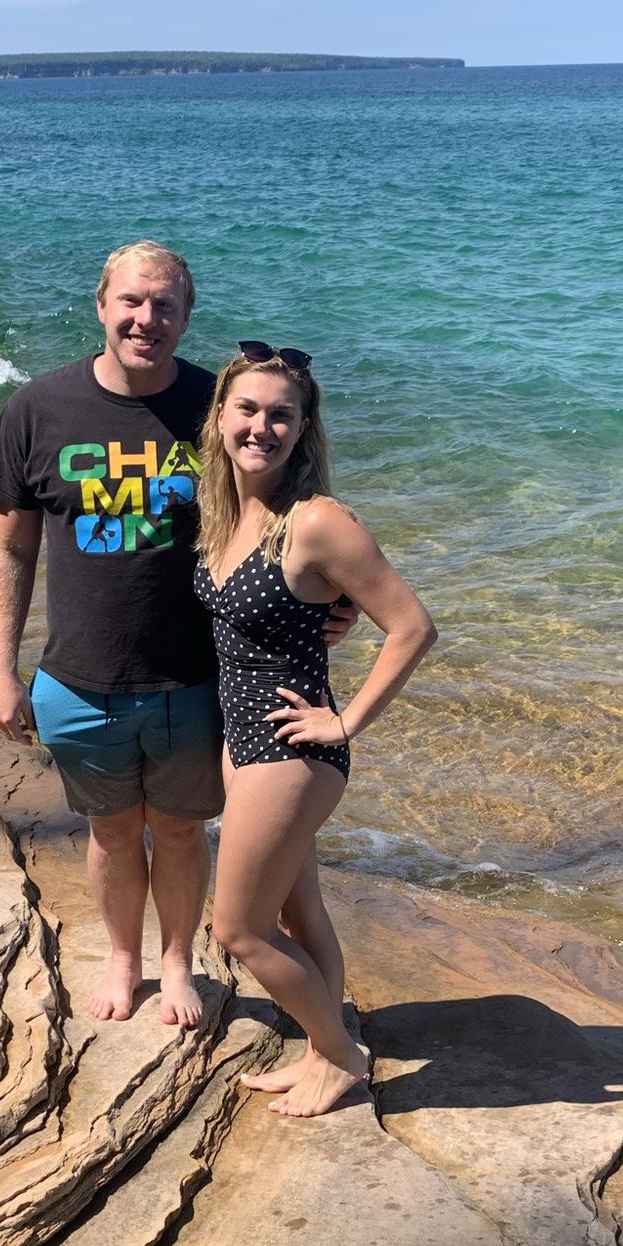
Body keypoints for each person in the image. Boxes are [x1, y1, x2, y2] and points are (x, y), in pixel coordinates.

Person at [0, 242, 352, 1030]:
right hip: (77, 674)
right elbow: (11, 546)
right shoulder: (37, 408)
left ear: (186, 317)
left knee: (180, 832)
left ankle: (178, 964)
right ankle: (124, 958)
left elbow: (294, 511)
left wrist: (329, 604)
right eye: (133, 302)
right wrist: (2, 673)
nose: (147, 320)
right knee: (111, 832)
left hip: (196, 676)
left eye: (166, 306)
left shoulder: (219, 408)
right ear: (102, 304)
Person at [194, 343, 437, 1117]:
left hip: (292, 751)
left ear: (304, 429)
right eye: (249, 409)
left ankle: (338, 1055)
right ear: (221, 416)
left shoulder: (318, 522)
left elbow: (411, 627)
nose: (262, 427)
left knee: (237, 928)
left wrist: (344, 721)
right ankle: (322, 1052)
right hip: (244, 743)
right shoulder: (228, 513)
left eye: (281, 415)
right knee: (298, 914)